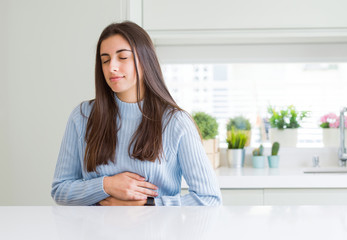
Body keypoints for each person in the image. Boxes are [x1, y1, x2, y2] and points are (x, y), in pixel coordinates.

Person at [51, 21, 222, 206]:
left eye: (122, 57)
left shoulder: (176, 122)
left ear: (144, 60)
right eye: (105, 60)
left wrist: (146, 205)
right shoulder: (83, 116)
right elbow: (60, 189)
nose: (112, 67)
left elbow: (209, 199)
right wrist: (106, 185)